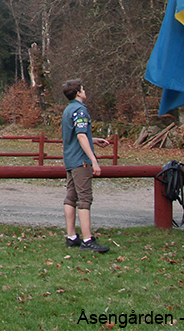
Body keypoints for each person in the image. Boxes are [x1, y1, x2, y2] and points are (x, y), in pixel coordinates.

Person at [60, 78, 111, 253]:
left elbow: (75, 135)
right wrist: (93, 160)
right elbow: (81, 135)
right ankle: (88, 239)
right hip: (80, 161)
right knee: (84, 199)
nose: (85, 91)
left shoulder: (68, 110)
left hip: (70, 159)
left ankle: (71, 236)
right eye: (83, 89)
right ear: (78, 93)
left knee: (71, 197)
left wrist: (93, 140)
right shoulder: (80, 110)